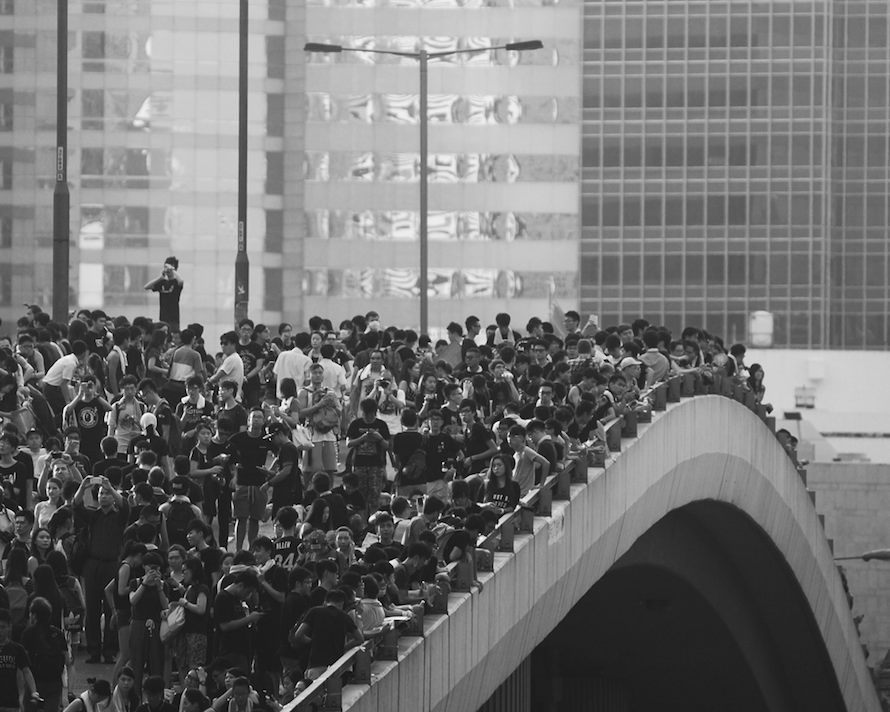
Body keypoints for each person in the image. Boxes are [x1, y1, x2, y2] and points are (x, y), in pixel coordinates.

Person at [73, 476, 128, 664]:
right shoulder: (93, 515)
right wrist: (83, 486)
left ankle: (110, 649)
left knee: (112, 607)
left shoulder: (119, 516)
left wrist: (110, 487)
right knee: (93, 608)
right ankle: (94, 649)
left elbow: (125, 506)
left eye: (106, 494)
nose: (103, 496)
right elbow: (76, 504)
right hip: (92, 564)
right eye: (101, 493)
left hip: (112, 564)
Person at [225, 408, 273, 550]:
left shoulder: (267, 439)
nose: (256, 419)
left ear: (264, 421)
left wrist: (270, 471)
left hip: (260, 484)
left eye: (259, 417)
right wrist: (234, 475)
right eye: (254, 417)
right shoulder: (237, 439)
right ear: (248, 420)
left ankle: (252, 549)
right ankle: (239, 549)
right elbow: (227, 457)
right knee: (241, 517)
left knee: (255, 519)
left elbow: (280, 453)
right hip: (242, 483)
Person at [291, 588, 363, 680]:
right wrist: (344, 647)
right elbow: (360, 638)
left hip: (316, 664)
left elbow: (298, 635)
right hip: (336, 665)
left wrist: (312, 642)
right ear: (342, 604)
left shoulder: (315, 611)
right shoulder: (344, 616)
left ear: (325, 602)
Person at [21, 596, 69, 712]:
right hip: (55, 682)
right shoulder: (57, 633)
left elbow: (23, 661)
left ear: (34, 615)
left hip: (34, 682)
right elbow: (67, 659)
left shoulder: (28, 633)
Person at [345, 398, 390, 515]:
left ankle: (374, 520)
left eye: (370, 415)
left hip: (376, 465)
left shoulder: (381, 425)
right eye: (365, 414)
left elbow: (388, 445)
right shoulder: (356, 424)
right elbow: (348, 443)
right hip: (359, 464)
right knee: (360, 496)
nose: (368, 417)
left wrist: (379, 438)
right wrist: (362, 438)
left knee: (375, 495)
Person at [0, 608, 40, 710]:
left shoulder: (17, 649)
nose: (0, 631)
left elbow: (26, 671)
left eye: (2, 627)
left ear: (9, 627)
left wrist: (34, 692)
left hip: (11, 701)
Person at [144, 256, 184, 330]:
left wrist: (173, 270)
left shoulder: (176, 282)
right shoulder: (162, 282)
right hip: (163, 318)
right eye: (165, 267)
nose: (167, 269)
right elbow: (146, 287)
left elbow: (181, 282)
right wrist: (160, 278)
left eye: (169, 267)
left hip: (174, 319)